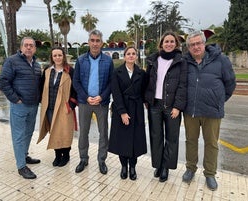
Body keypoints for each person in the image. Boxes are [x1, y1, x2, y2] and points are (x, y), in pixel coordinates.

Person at [182, 30, 236, 190]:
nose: (196, 47)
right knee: (190, 141)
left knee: (211, 143)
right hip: (190, 111)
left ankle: (210, 174)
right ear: (188, 48)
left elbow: (230, 83)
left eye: (198, 43)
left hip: (212, 112)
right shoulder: (185, 61)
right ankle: (190, 168)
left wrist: (219, 100)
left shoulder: (221, 60)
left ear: (204, 43)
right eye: (192, 45)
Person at [145, 31, 187, 182]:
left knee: (171, 138)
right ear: (161, 44)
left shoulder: (181, 61)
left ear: (176, 44)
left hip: (171, 107)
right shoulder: (153, 59)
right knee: (156, 136)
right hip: (155, 105)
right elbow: (148, 82)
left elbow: (183, 86)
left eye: (171, 41)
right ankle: (158, 165)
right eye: (166, 41)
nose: (169, 44)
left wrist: (178, 107)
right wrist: (147, 100)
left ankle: (166, 167)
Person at [0, 37, 41, 179]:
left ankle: (24, 156)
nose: (29, 48)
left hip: (33, 105)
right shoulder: (12, 61)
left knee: (28, 133)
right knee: (19, 136)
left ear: (34, 48)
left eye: (31, 45)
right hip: (19, 107)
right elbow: (3, 82)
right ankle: (21, 166)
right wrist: (15, 99)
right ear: (21, 47)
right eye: (26, 45)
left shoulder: (36, 64)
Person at [73, 29, 114, 174]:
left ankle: (101, 160)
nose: (95, 43)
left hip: (101, 103)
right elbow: (76, 81)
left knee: (103, 133)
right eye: (92, 40)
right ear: (88, 42)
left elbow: (111, 82)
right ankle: (83, 159)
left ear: (101, 43)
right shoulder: (81, 60)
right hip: (85, 102)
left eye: (98, 41)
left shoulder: (108, 61)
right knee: (83, 132)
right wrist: (85, 97)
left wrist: (102, 97)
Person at [108, 47, 147, 180]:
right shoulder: (117, 72)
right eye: (128, 54)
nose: (131, 56)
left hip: (136, 109)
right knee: (122, 140)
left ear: (136, 56)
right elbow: (116, 93)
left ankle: (133, 167)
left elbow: (144, 91)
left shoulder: (141, 73)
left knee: (135, 140)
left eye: (133, 54)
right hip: (121, 108)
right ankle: (124, 167)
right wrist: (122, 112)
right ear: (124, 56)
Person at [37, 46, 77, 167]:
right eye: (55, 55)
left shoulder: (70, 71)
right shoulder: (47, 71)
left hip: (64, 108)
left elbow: (75, 89)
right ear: (52, 57)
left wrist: (71, 105)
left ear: (63, 56)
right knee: (54, 131)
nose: (57, 57)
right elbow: (41, 87)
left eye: (60, 55)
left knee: (65, 132)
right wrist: (41, 101)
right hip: (50, 107)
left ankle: (66, 155)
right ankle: (57, 155)